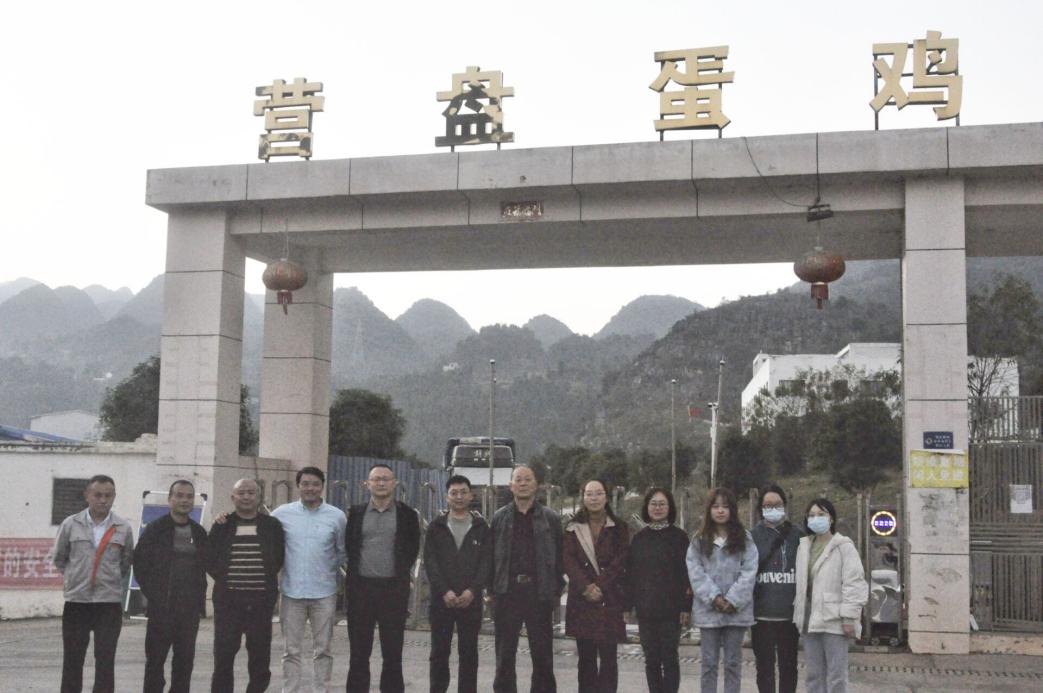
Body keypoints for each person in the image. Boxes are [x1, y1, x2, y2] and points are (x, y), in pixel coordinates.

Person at [50, 474, 135, 693]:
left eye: (108, 495)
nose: (103, 500)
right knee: (73, 659)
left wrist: (108, 579)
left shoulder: (123, 527)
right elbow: (60, 558)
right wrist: (76, 578)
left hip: (108, 604)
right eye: (98, 495)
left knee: (106, 659)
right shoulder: (71, 524)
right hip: (77, 602)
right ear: (87, 495)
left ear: (114, 497)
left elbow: (125, 562)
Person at [344, 463, 421, 693]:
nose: (380, 483)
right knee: (359, 653)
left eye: (385, 479)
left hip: (393, 591)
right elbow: (350, 546)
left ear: (394, 483)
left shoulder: (407, 514)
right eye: (376, 479)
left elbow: (412, 548)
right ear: (367, 484)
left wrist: (398, 576)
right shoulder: (356, 514)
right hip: (361, 591)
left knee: (393, 653)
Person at [489, 464, 565, 693]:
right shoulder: (499, 518)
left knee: (542, 656)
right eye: (518, 479)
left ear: (536, 485)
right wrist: (491, 590)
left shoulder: (551, 518)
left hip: (538, 593)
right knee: (504, 656)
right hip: (507, 593)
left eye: (527, 479)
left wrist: (555, 589)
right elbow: (491, 557)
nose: (522, 483)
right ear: (511, 486)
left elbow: (560, 557)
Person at [271, 466, 346, 693]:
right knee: (291, 650)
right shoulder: (281, 514)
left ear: (322, 486)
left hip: (324, 593)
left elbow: (341, 551)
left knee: (323, 650)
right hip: (291, 592)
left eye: (315, 484)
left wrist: (327, 570)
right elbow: (266, 537)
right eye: (305, 484)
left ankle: (321, 689)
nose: (310, 488)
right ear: (298, 486)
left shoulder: (336, 516)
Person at [208, 478, 286, 693]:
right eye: (241, 493)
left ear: (259, 497)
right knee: (223, 657)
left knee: (260, 658)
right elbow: (209, 557)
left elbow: (278, 557)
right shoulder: (222, 525)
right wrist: (226, 579)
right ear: (232, 497)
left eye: (251, 493)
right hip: (228, 602)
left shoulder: (272, 526)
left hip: (260, 602)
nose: (246, 497)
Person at [134, 479, 209, 693]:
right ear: (170, 499)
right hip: (161, 609)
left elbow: (209, 563)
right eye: (179, 495)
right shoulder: (155, 530)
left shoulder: (199, 532)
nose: (184, 500)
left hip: (189, 611)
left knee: (184, 663)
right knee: (155, 662)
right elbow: (140, 564)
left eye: (189, 496)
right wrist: (153, 595)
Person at [423, 475, 492, 693]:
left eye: (463, 492)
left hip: (471, 601)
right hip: (442, 601)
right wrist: (445, 591)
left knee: (469, 653)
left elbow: (486, 563)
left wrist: (473, 591)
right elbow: (430, 562)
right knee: (439, 653)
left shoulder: (481, 527)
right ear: (447, 497)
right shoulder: (436, 527)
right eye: (454, 493)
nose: (459, 497)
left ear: (471, 495)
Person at [793, 498, 868, 693]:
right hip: (810, 620)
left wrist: (849, 617)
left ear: (831, 518)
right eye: (811, 515)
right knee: (814, 676)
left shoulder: (844, 546)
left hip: (835, 621)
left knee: (837, 676)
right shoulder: (804, 546)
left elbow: (854, 583)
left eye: (821, 514)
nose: (815, 518)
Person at [687, 487, 758, 693]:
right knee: (709, 663)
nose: (720, 511)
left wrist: (733, 600)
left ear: (732, 510)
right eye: (716, 506)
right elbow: (695, 572)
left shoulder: (744, 539)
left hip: (736, 612)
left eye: (725, 507)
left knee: (733, 663)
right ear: (709, 510)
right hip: (708, 611)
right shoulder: (699, 540)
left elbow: (749, 571)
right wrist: (714, 597)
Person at [563, 478, 629, 693]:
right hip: (582, 600)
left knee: (609, 659)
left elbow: (621, 561)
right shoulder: (572, 527)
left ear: (606, 497)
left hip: (609, 599)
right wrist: (586, 587)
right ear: (583, 498)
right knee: (586, 659)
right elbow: (568, 560)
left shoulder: (619, 527)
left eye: (598, 493)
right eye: (589, 494)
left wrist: (599, 586)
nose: (594, 498)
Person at [626, 488, 691, 693]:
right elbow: (631, 575)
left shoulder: (680, 538)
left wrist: (686, 607)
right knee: (651, 659)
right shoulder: (639, 539)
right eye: (653, 504)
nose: (657, 508)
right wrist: (628, 606)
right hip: (646, 609)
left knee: (670, 657)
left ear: (669, 507)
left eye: (662, 504)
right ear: (647, 507)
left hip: (672, 610)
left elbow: (687, 575)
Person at [750, 484, 803, 693]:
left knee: (789, 668)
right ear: (761, 508)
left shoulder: (798, 535)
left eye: (777, 504)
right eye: (768, 505)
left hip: (789, 617)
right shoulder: (752, 536)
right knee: (764, 669)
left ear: (785, 506)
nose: (773, 508)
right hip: (761, 616)